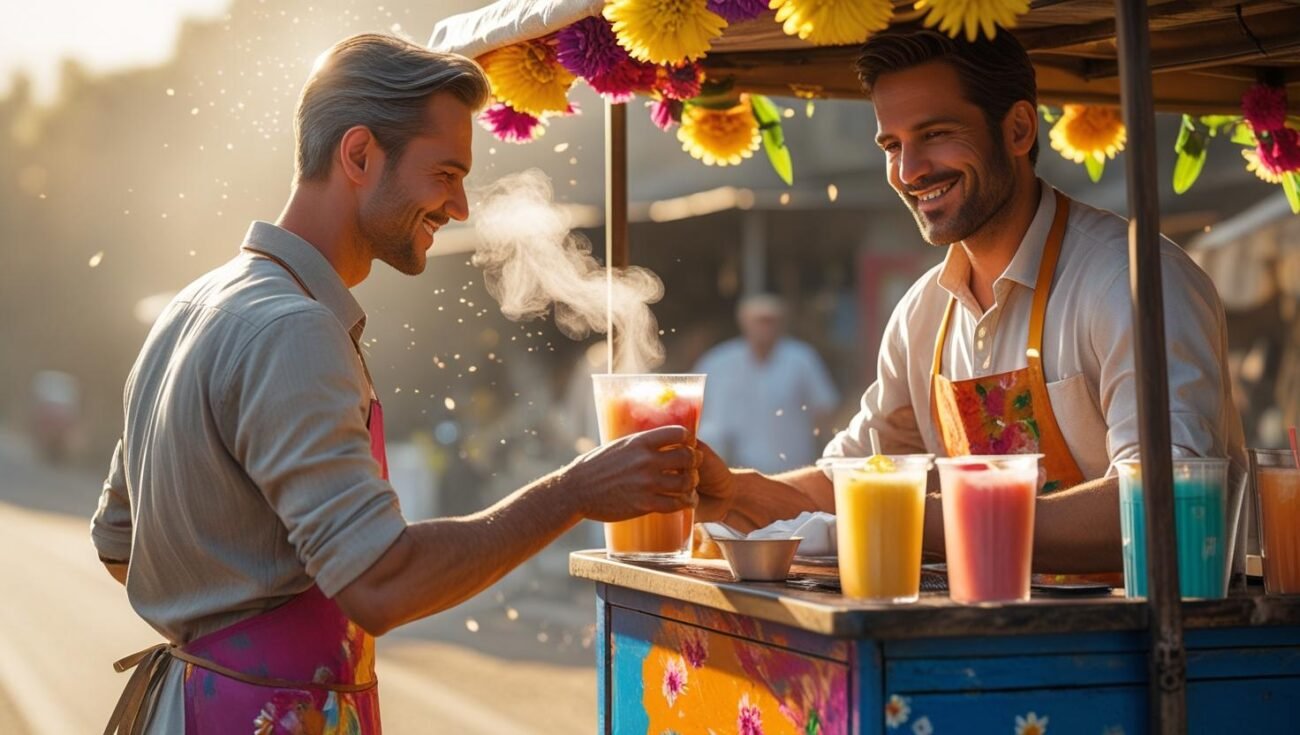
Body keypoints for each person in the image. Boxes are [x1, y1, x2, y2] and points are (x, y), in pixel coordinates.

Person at [91, 34, 724, 734]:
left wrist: (221, 615)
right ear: (360, 155)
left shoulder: (190, 306)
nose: (459, 206)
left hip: (190, 708)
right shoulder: (294, 329)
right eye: (445, 173)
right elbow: (380, 584)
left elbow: (120, 543)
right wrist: (573, 491)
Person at [705, 27, 1247, 574]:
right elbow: (853, 480)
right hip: (985, 626)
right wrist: (734, 494)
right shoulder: (920, 315)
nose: (909, 171)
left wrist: (911, 517)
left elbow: (1169, 505)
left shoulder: (1132, 282)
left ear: (1018, 129)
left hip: (1143, 628)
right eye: (892, 146)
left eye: (935, 133)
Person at [692, 294, 839, 473]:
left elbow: (823, 410)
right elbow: (695, 409)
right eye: (760, 321)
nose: (765, 327)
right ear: (744, 322)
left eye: (770, 321)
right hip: (734, 470)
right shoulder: (717, 362)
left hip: (792, 468)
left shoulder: (802, 359)